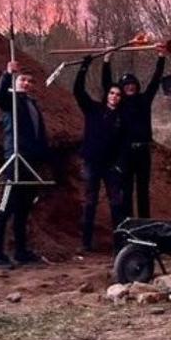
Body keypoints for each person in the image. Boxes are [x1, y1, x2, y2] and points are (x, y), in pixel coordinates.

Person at [0, 60, 48, 269]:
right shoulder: (10, 100)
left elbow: (39, 133)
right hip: (15, 160)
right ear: (15, 83)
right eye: (22, 80)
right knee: (5, 208)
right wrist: (7, 73)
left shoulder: (31, 104)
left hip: (31, 163)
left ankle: (21, 252)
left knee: (24, 209)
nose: (26, 83)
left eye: (30, 81)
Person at [102, 43, 166, 219]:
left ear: (137, 86)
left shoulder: (144, 100)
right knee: (127, 190)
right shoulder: (119, 104)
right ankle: (130, 223)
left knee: (143, 190)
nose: (130, 87)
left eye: (133, 84)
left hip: (144, 151)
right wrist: (107, 60)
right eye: (126, 85)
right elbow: (107, 84)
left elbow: (155, 81)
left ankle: (144, 222)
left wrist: (161, 57)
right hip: (126, 152)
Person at [74, 54, 127, 252]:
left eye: (118, 95)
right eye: (112, 93)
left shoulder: (121, 118)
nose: (114, 96)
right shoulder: (93, 109)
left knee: (116, 204)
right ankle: (86, 244)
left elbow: (123, 144)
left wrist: (119, 165)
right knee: (90, 202)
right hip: (91, 163)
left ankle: (119, 243)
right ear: (107, 95)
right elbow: (78, 91)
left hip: (111, 166)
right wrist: (84, 67)